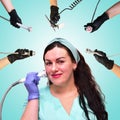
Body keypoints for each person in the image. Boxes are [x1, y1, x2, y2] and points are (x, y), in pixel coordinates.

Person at [21, 38, 108, 120]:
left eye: (61, 61)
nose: (53, 69)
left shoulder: (91, 96)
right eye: (48, 63)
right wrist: (33, 97)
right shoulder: (36, 99)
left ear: (74, 63)